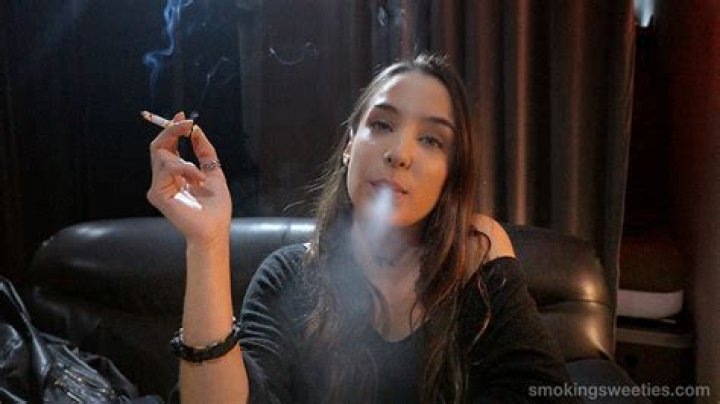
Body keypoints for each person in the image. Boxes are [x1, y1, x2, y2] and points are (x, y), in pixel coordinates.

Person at [147, 54, 578, 403]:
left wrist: (493, 258)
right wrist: (207, 243)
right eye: (382, 125)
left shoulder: (476, 271)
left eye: (431, 140)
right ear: (350, 146)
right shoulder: (288, 278)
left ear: (452, 173)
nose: (400, 153)